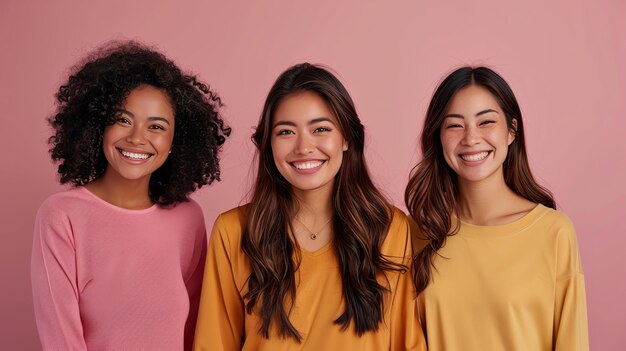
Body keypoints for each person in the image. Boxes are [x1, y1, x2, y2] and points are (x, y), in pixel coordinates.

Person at [193, 63, 425, 350]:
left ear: (347, 139)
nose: (303, 147)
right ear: (268, 144)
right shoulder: (233, 231)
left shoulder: (390, 228)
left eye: (321, 129)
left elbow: (407, 344)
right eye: (286, 132)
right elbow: (213, 344)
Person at [31, 41, 230, 351]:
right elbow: (60, 339)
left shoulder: (187, 217)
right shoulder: (62, 216)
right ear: (99, 125)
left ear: (176, 140)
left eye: (156, 126)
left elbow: (197, 333)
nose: (137, 138)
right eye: (123, 120)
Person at [405, 66, 588, 350]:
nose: (471, 138)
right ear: (438, 137)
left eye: (486, 122)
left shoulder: (553, 232)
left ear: (512, 131)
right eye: (454, 125)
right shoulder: (418, 233)